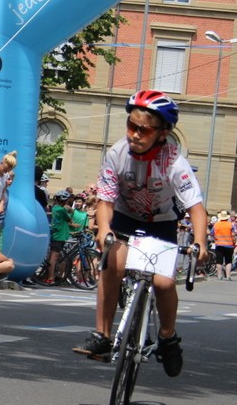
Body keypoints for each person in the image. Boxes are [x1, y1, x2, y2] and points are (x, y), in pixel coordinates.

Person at [72, 90, 208, 378]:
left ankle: (168, 337)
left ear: (162, 133)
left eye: (143, 129)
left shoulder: (174, 162)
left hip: (161, 224)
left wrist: (200, 242)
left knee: (162, 283)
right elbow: (105, 200)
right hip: (122, 217)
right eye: (130, 126)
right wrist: (105, 228)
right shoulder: (116, 154)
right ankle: (102, 336)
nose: (134, 134)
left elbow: (196, 208)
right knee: (113, 265)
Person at [42, 190, 73, 284]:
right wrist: (70, 211)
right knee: (54, 257)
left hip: (55, 234)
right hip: (60, 235)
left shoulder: (55, 208)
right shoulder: (62, 210)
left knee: (51, 255)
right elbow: (69, 219)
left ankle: (48, 276)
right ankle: (51, 277)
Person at [211, 211, 235, 280]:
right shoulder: (230, 225)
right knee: (228, 261)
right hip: (229, 245)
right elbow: (233, 235)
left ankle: (219, 275)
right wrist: (234, 242)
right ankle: (228, 276)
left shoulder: (216, 225)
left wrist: (215, 238)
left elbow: (212, 233)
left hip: (219, 245)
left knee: (219, 261)